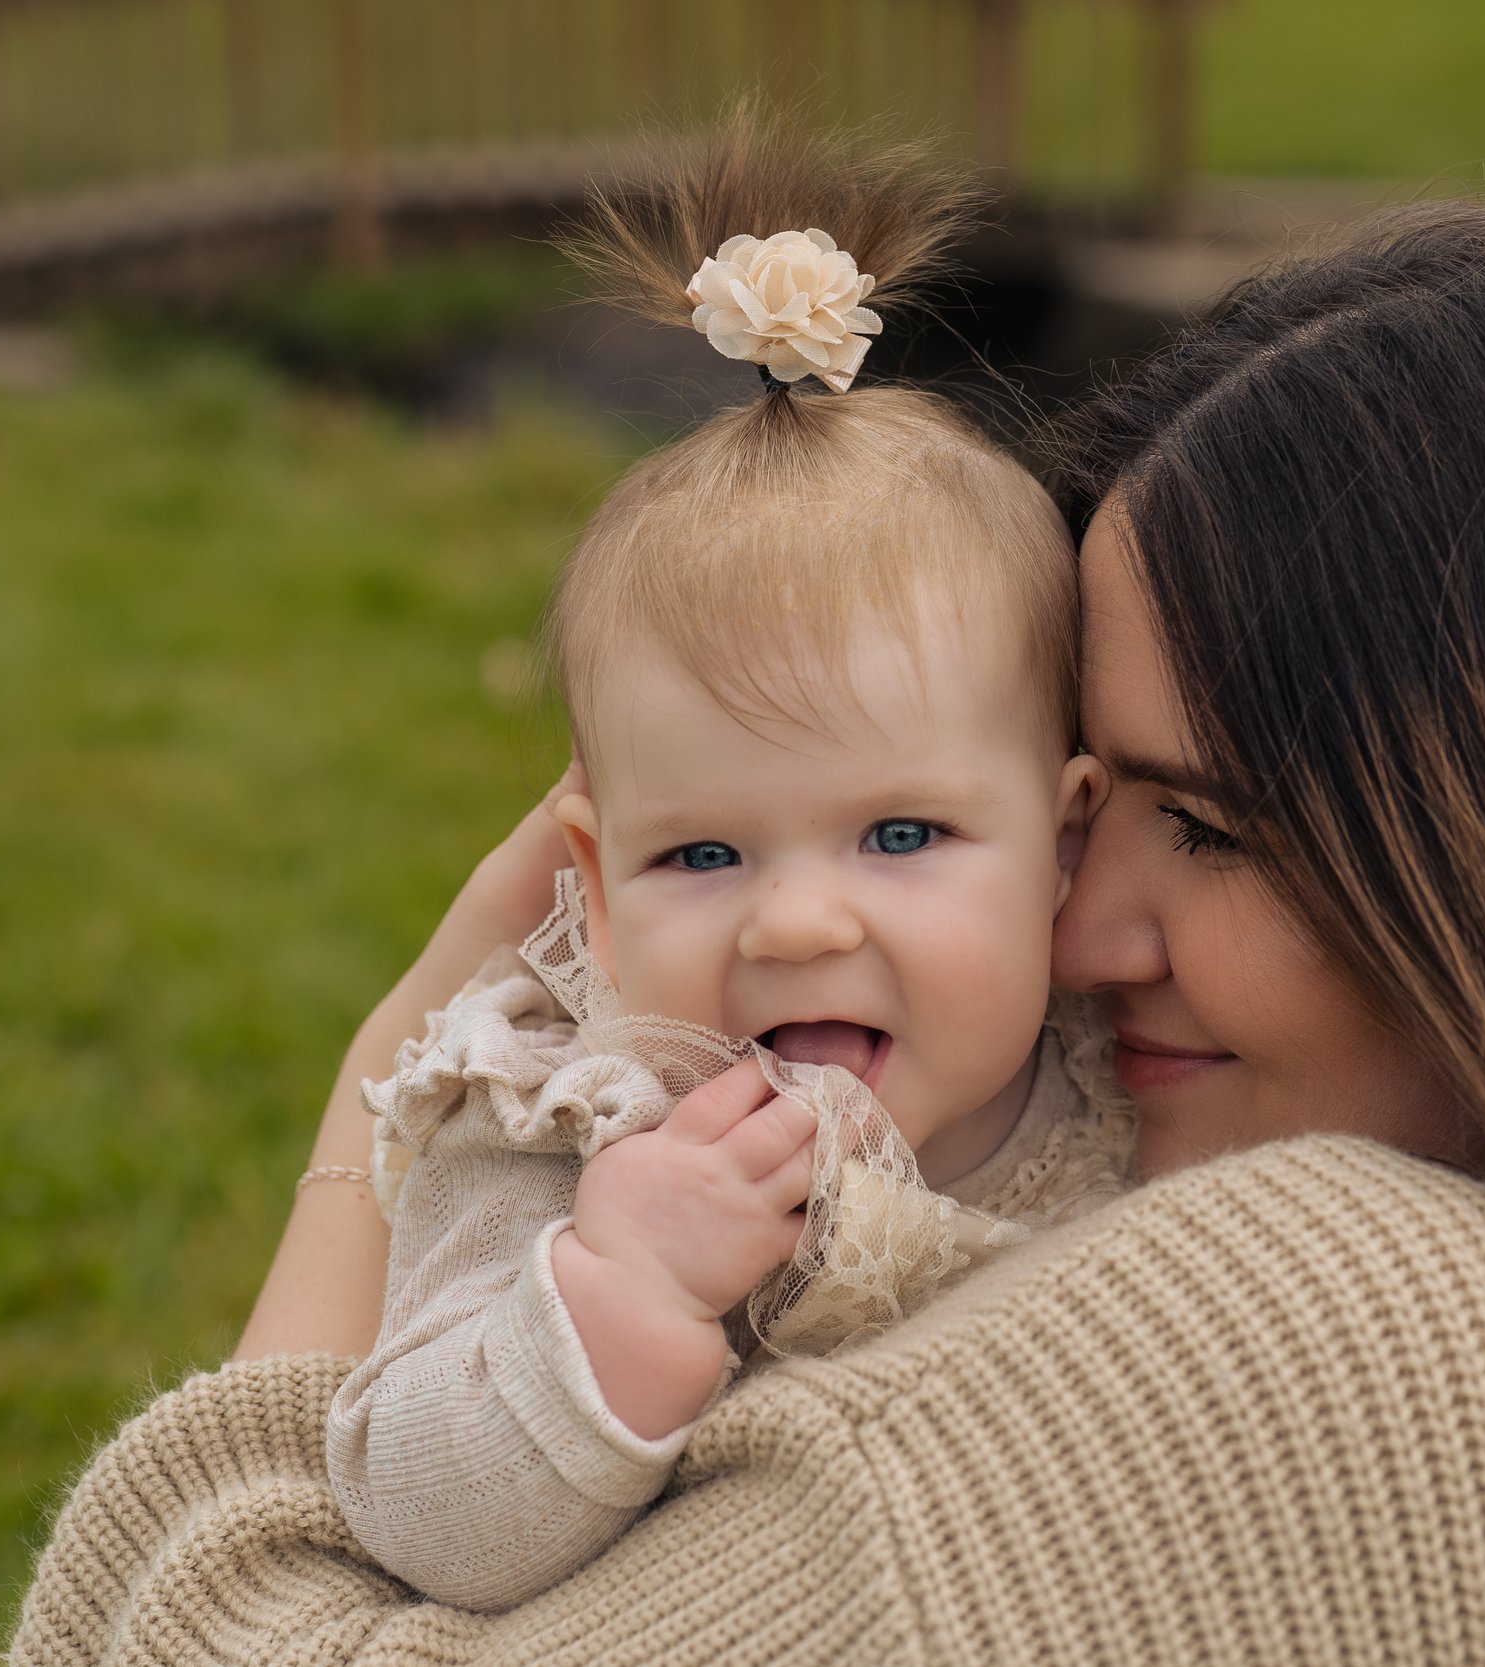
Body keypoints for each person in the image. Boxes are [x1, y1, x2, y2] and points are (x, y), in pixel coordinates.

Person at [6, 199, 1485, 1667]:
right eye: (1086, 804)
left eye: (1208, 827)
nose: (1078, 933)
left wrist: (367, 1123)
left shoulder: (1306, 1338)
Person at [318, 127, 1131, 1613]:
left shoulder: (1135, 1094)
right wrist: (620, 1300)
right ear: (598, 883)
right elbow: (409, 1518)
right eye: (702, 852)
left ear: (1068, 840)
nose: (801, 921)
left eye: (902, 835)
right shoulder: (560, 1131)